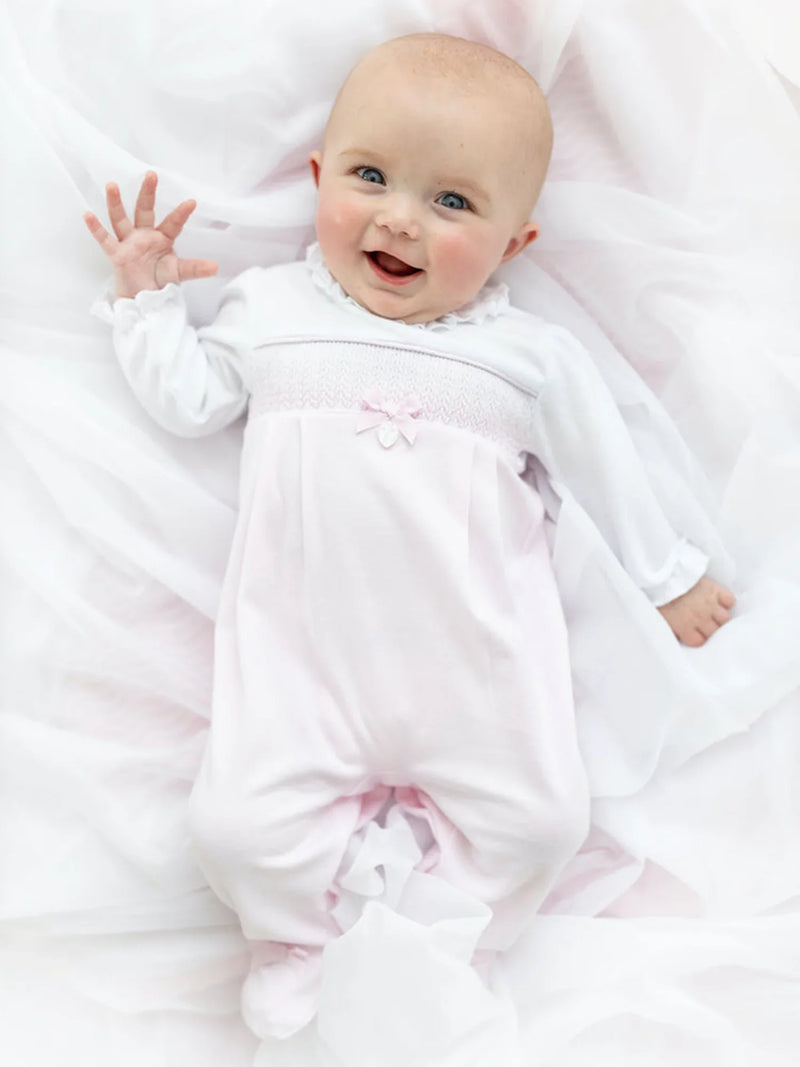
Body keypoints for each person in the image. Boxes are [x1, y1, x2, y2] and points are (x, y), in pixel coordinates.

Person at [83, 32, 736, 1040]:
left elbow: (605, 464)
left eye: (453, 202)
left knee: (540, 822)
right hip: (299, 674)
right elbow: (192, 400)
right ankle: (297, 941)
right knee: (233, 828)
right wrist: (148, 301)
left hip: (479, 677)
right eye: (371, 176)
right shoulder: (272, 311)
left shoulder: (523, 358)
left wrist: (665, 574)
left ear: (516, 242)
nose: (399, 218)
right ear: (317, 178)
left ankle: (446, 942)